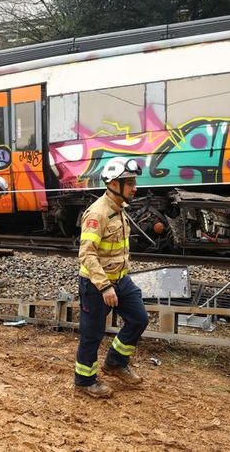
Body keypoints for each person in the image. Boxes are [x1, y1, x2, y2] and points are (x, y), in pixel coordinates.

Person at [74, 158, 149, 399]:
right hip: (97, 284)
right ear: (114, 184)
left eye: (134, 182)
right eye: (130, 183)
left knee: (139, 319)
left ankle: (115, 362)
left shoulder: (119, 209)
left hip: (121, 280)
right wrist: (105, 286)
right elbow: (87, 254)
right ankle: (84, 381)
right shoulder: (98, 213)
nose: (135, 187)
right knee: (92, 334)